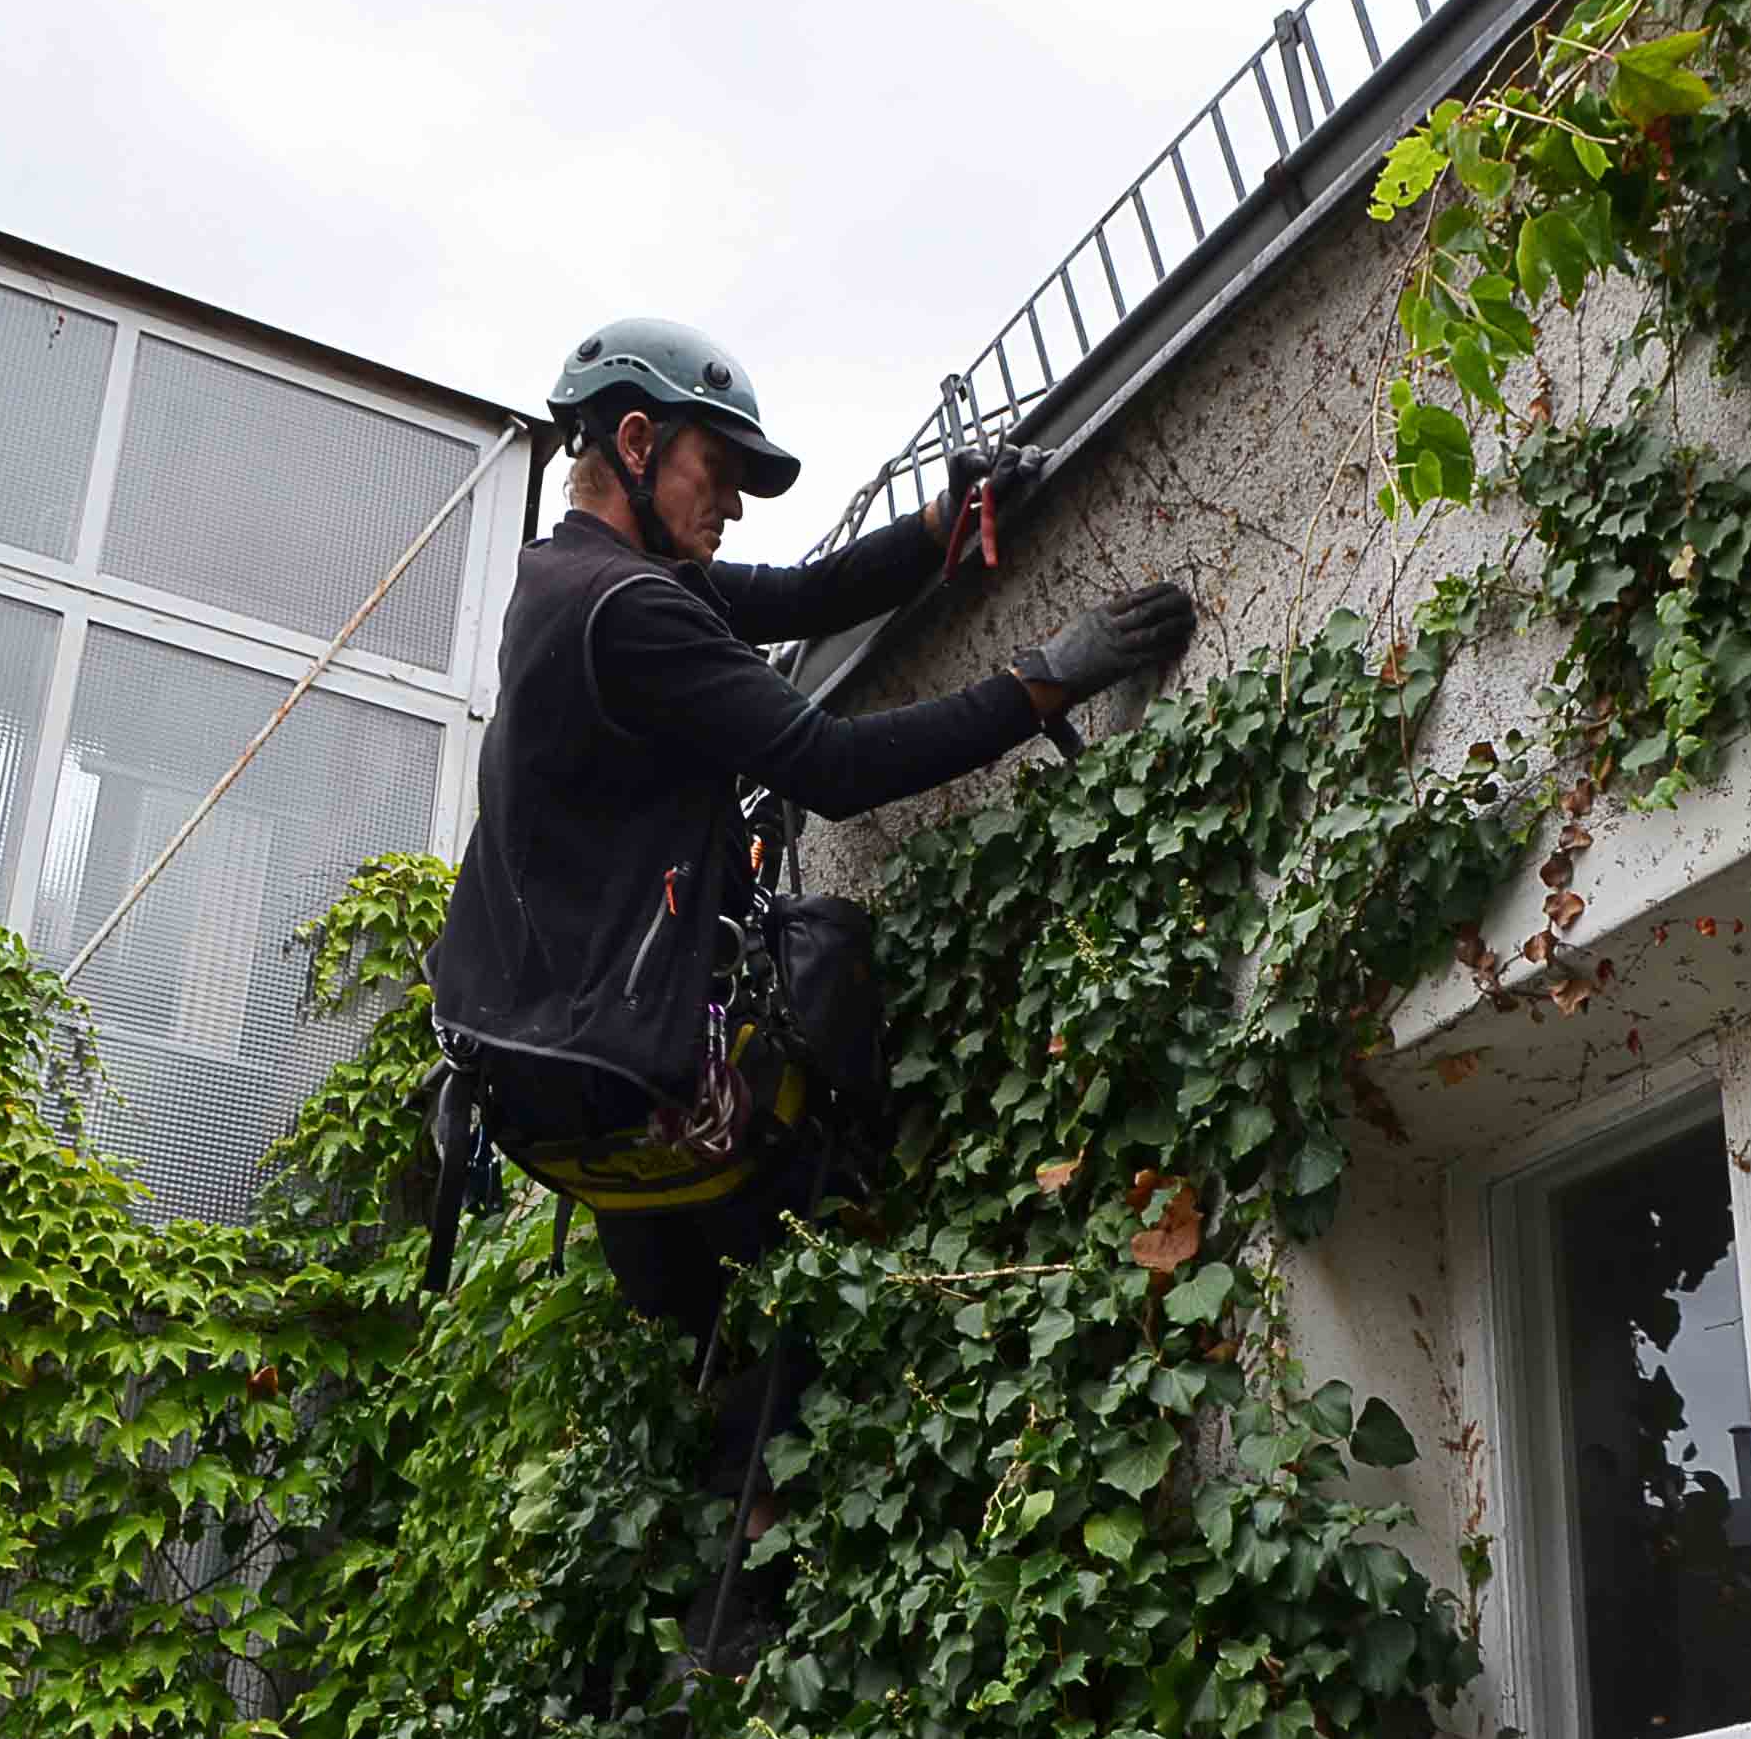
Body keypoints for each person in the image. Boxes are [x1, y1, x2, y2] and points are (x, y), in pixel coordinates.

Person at [430, 317, 1190, 1355]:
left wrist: (937, 525)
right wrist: (1040, 680)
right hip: (642, 1073)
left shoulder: (565, 580)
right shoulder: (633, 613)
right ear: (639, 442)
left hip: (559, 1080)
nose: (735, 502)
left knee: (714, 1357)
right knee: (828, 989)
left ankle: (736, 1433)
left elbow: (800, 597)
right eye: (721, 468)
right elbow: (833, 768)